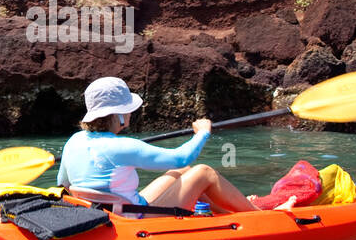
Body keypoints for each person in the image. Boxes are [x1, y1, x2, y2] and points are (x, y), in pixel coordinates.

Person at [56, 77, 296, 213]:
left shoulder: (73, 141)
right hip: (133, 218)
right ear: (118, 115)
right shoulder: (123, 147)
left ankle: (227, 214)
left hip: (110, 212)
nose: (131, 114)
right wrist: (202, 133)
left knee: (183, 174)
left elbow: (63, 185)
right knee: (203, 172)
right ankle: (261, 217)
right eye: (128, 110)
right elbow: (181, 157)